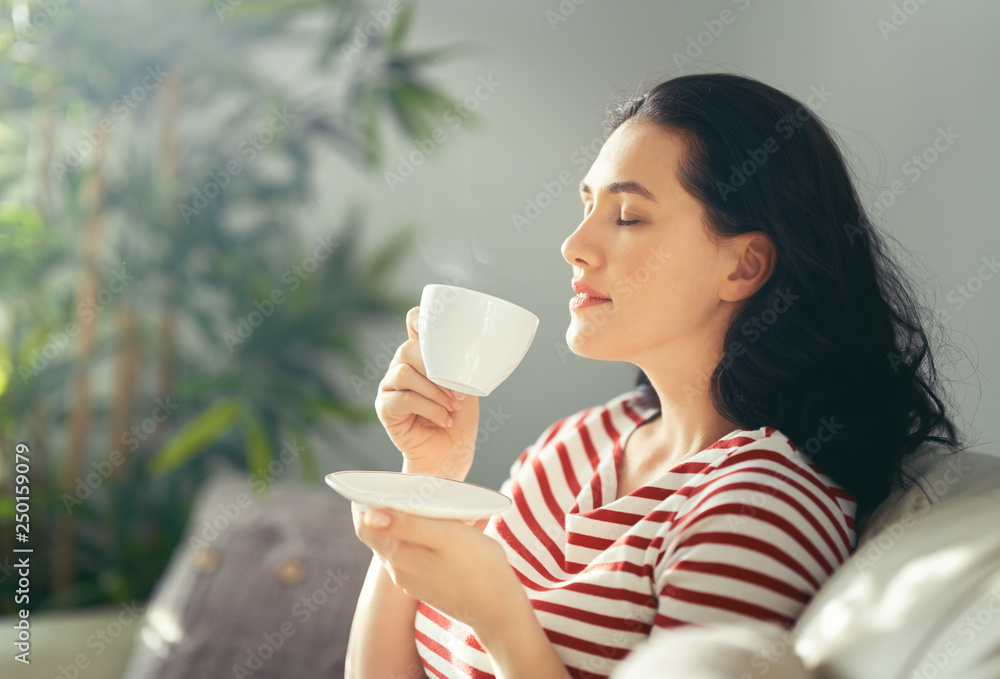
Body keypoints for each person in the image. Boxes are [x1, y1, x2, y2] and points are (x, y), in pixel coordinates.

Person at [345, 73, 966, 679]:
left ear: (744, 266)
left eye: (628, 216)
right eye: (586, 207)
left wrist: (500, 617)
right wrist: (430, 477)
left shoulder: (761, 506)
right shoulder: (574, 444)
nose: (573, 245)